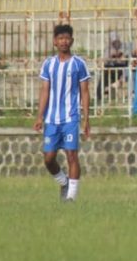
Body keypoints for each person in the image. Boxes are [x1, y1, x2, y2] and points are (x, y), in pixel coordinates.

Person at [33, 24, 90, 202]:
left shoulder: (79, 64)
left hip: (71, 118)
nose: (64, 41)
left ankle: (71, 198)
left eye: (67, 38)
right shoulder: (49, 64)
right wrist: (40, 116)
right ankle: (64, 182)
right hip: (52, 119)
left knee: (71, 155)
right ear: (55, 42)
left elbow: (85, 91)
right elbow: (44, 91)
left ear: (71, 41)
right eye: (60, 38)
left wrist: (86, 119)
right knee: (49, 159)